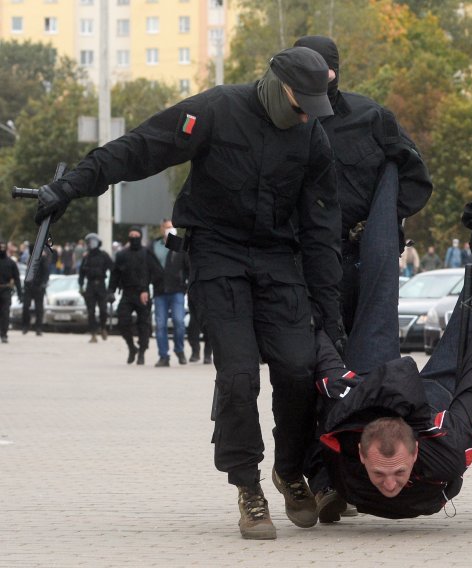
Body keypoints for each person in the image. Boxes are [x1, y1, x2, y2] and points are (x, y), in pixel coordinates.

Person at [31, 46, 343, 540]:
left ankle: (289, 469)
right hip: (218, 257)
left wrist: (330, 309)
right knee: (239, 376)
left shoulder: (311, 136)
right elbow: (141, 147)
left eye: (313, 107)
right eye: (300, 103)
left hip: (279, 260)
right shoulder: (216, 110)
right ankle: (249, 488)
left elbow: (322, 228)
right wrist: (71, 186)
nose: (306, 115)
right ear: (277, 85)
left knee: (299, 369)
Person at [311, 301, 472, 519]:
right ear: (362, 455)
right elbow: (325, 364)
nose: (391, 485)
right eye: (379, 473)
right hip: (372, 401)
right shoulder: (341, 436)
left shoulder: (449, 449)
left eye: (399, 471)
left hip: (432, 402)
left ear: (414, 453)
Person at [293, 35, 432, 334]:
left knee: (363, 354)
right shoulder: (280, 121)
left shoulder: (371, 117)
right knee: (299, 361)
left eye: (320, 70)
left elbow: (416, 178)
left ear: (333, 72)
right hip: (297, 260)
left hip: (357, 261)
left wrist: (380, 222)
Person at [108, 227, 162, 365]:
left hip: (143, 294)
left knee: (143, 325)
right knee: (122, 321)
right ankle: (132, 348)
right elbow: (115, 274)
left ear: (140, 237)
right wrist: (111, 291)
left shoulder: (147, 253)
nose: (133, 237)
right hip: (127, 293)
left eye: (136, 235)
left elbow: (156, 272)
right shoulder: (121, 255)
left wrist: (146, 288)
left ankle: (142, 352)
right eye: (131, 235)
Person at [150, 219, 190, 367]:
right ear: (162, 229)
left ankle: (179, 350)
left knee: (179, 322)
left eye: (172, 227)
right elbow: (149, 266)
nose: (170, 229)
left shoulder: (180, 245)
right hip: (160, 291)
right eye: (167, 227)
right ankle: (163, 356)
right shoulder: (153, 246)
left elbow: (188, 267)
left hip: (177, 290)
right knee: (160, 325)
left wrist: (186, 283)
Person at [78, 232, 114, 343]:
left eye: (93, 242)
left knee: (103, 310)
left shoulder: (104, 255)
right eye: (89, 242)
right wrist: (81, 286)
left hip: (101, 285)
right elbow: (81, 273)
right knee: (91, 311)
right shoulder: (86, 257)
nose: (91, 245)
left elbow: (113, 270)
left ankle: (103, 327)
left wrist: (111, 288)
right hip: (90, 286)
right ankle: (93, 333)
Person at [0, 240, 24, 344]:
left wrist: (20, 294)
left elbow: (17, 278)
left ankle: (4, 334)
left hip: (5, 290)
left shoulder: (11, 263)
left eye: (3, 247)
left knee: (5, 313)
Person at [22, 249, 49, 336]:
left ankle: (38, 328)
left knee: (39, 309)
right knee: (25, 306)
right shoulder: (30, 258)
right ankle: (26, 326)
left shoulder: (43, 259)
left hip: (39, 286)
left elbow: (46, 273)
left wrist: (44, 283)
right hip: (29, 287)